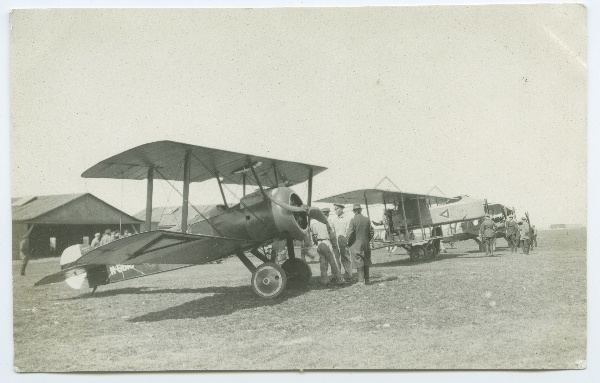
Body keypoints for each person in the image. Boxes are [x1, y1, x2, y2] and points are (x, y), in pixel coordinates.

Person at [310, 208, 345, 285]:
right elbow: (332, 236)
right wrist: (335, 246)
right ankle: (340, 279)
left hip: (319, 244)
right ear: (328, 214)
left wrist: (317, 242)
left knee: (323, 263)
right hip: (327, 243)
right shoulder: (328, 223)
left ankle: (324, 280)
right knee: (333, 262)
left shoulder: (315, 224)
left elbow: (313, 236)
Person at [347, 203, 375, 285]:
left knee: (358, 262)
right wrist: (367, 240)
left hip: (356, 245)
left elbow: (350, 233)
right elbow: (371, 232)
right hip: (366, 244)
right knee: (366, 261)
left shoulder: (353, 220)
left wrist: (348, 243)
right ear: (361, 210)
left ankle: (360, 281)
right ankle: (367, 280)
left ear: (354, 211)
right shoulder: (367, 219)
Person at [330, 203, 353, 280]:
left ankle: (349, 273)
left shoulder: (347, 218)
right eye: (335, 209)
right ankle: (337, 274)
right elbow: (333, 230)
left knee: (345, 257)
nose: (335, 211)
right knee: (336, 258)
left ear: (341, 209)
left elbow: (348, 230)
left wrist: (347, 241)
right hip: (336, 241)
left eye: (337, 209)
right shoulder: (335, 219)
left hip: (344, 241)